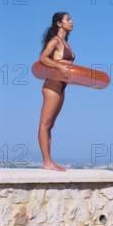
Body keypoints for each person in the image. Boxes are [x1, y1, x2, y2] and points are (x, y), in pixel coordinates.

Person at [38, 12, 76, 171]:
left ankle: (49, 160)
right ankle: (47, 162)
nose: (72, 22)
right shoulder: (55, 41)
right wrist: (59, 66)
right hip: (53, 84)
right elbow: (43, 58)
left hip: (62, 85)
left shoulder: (65, 42)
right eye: (68, 19)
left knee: (51, 125)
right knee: (45, 124)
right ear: (59, 23)